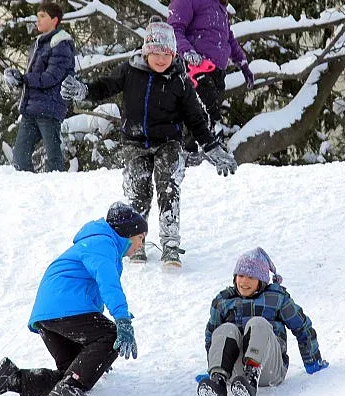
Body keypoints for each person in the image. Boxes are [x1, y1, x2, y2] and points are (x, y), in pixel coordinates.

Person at [59, 21, 237, 268]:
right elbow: (105, 86)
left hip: (168, 143)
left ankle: (171, 243)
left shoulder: (180, 80)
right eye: (156, 53)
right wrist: (83, 90)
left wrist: (212, 146)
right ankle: (136, 242)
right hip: (134, 141)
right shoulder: (130, 71)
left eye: (166, 54)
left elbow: (196, 118)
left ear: (173, 54)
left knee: (168, 185)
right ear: (146, 51)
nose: (161, 58)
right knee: (138, 191)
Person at [0, 202, 146, 396]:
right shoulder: (103, 244)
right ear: (128, 233)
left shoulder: (94, 243)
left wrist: (96, 357)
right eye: (141, 238)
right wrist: (122, 319)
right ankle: (69, 388)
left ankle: (13, 378)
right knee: (111, 336)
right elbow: (108, 284)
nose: (141, 245)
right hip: (64, 310)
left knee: (73, 373)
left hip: (49, 314)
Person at [197, 247, 328, 396]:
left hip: (269, 369)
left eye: (251, 277)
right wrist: (213, 366)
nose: (244, 282)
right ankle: (218, 382)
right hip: (235, 374)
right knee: (225, 329)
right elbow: (212, 337)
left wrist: (312, 361)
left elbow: (302, 327)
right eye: (241, 275)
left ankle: (251, 379)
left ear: (262, 281)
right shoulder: (224, 301)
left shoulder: (277, 298)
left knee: (258, 323)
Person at [167, 0, 254, 155]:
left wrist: (242, 63)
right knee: (208, 116)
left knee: (201, 117)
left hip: (217, 71)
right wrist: (188, 53)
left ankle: (189, 156)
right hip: (196, 69)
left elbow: (228, 38)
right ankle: (207, 151)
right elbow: (174, 30)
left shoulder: (217, 5)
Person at [3, 0, 75, 172]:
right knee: (19, 157)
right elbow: (35, 75)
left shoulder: (61, 44)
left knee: (53, 157)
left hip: (50, 108)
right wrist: (18, 78)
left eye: (42, 16)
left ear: (54, 20)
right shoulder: (38, 44)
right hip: (31, 108)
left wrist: (24, 78)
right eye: (37, 16)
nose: (38, 20)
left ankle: (57, 188)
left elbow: (51, 77)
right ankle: (27, 189)